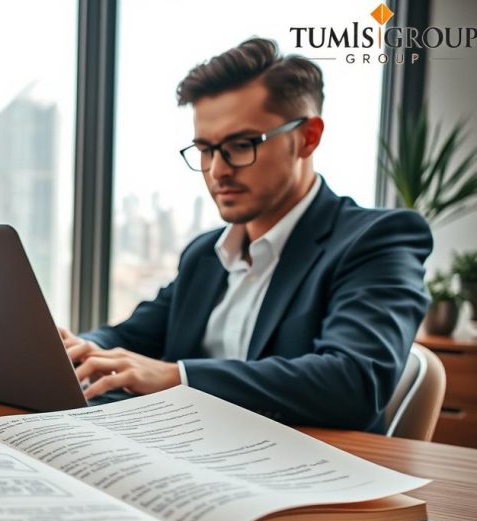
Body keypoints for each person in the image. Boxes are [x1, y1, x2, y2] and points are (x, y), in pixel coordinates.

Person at [60, 38, 432, 432]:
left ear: (308, 137)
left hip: (306, 472)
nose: (218, 170)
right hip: (187, 453)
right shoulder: (205, 254)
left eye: (241, 145)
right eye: (205, 149)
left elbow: (354, 382)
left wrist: (177, 377)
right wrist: (71, 351)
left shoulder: (378, 239)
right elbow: (130, 338)